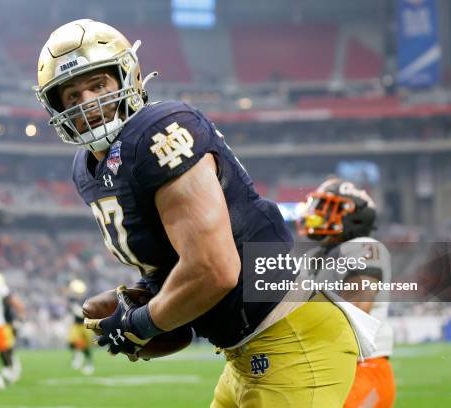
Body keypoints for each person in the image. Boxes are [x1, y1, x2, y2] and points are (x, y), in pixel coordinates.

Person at [35, 19, 362, 406]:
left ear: (129, 77)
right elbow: (176, 263)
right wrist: (152, 295)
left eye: (98, 85)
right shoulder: (87, 169)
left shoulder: (159, 129)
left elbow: (214, 269)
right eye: (72, 95)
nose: (88, 102)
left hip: (292, 338)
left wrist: (140, 323)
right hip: (244, 352)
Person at [297, 178, 396, 408]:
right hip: (327, 367)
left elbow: (355, 315)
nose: (317, 214)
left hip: (362, 367)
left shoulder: (364, 246)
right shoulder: (315, 256)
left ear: (353, 216)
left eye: (326, 208)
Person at [66, 279, 94, 374]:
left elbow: (83, 313)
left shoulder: (85, 299)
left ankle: (89, 363)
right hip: (76, 325)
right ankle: (77, 356)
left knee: (84, 345)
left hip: (84, 325)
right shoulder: (72, 299)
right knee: (71, 342)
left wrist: (77, 310)